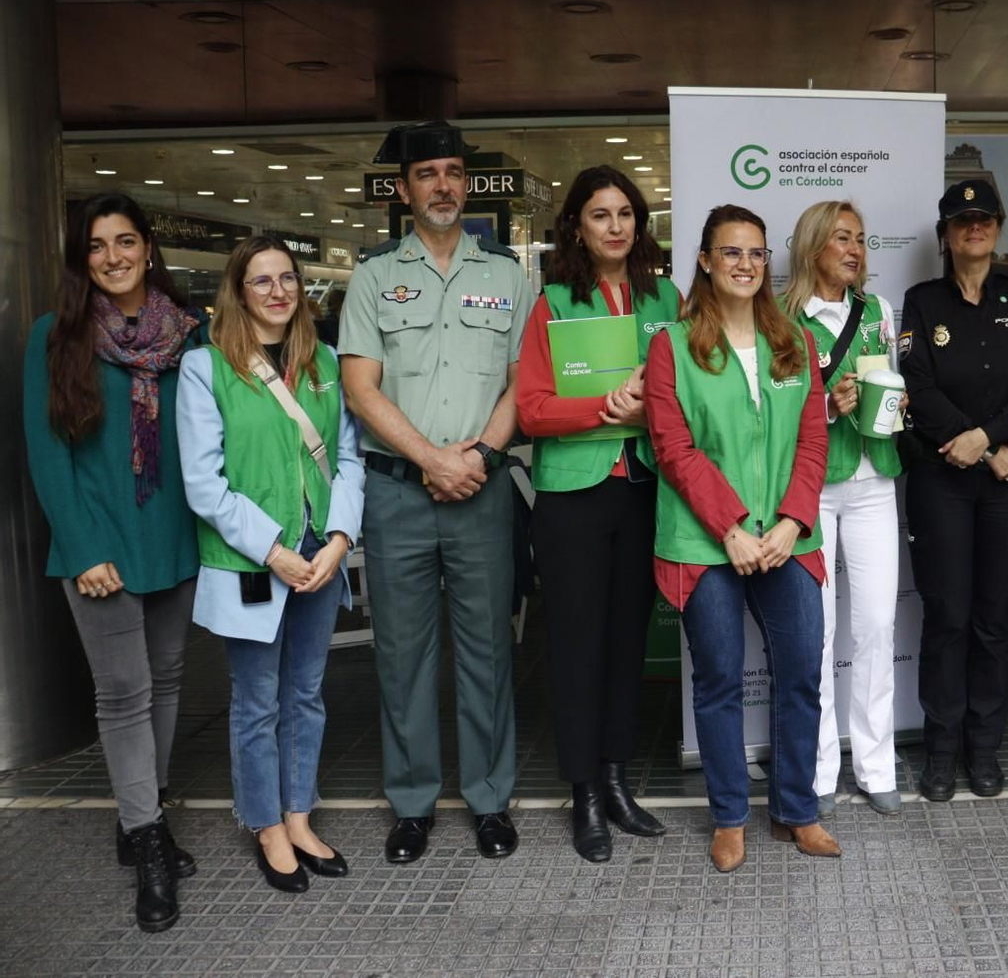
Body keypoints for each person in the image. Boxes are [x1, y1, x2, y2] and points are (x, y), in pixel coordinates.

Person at [338, 121, 534, 864]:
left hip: (481, 490)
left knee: (487, 650)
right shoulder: (374, 276)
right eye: (429, 174)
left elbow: (524, 384)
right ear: (404, 189)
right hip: (399, 495)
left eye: (454, 171)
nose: (444, 185)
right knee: (403, 653)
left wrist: (478, 456)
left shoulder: (506, 276)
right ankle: (413, 802)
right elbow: (361, 388)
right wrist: (430, 459)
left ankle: (490, 799)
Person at [22, 193, 205, 932]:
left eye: (125, 241)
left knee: (165, 680)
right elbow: (45, 451)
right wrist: (83, 544)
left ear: (148, 245)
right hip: (97, 543)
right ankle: (150, 841)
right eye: (96, 246)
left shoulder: (187, 334)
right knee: (123, 691)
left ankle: (140, 814)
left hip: (173, 535)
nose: (113, 257)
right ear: (81, 257)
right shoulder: (55, 335)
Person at [643, 204, 836, 873]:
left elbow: (814, 439)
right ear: (703, 260)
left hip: (786, 537)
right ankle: (729, 815)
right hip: (706, 541)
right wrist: (728, 527)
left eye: (756, 253)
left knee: (802, 672)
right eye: (731, 253)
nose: (746, 265)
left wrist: (789, 520)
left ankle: (796, 810)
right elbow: (673, 445)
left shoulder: (796, 343)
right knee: (720, 677)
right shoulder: (671, 343)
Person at [176, 236, 364, 893]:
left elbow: (348, 459)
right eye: (262, 281)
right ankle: (265, 823)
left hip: (320, 554)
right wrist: (275, 550)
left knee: (306, 694)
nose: (279, 291)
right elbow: (204, 483)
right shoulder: (206, 369)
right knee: (257, 700)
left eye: (288, 278)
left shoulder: (324, 362)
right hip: (254, 560)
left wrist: (339, 539)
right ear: (238, 290)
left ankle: (299, 813)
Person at [515, 166, 679, 862]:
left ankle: (615, 779)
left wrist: (655, 412)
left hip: (643, 487)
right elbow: (531, 408)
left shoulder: (664, 297)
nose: (614, 226)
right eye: (599, 215)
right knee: (578, 646)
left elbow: (686, 393)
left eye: (624, 213)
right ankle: (583, 790)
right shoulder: (553, 302)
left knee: (625, 644)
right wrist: (607, 410)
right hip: (573, 498)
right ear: (577, 227)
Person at [900, 179, 1008, 802]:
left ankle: (983, 747)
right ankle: (941, 750)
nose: (973, 228)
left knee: (993, 618)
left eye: (983, 218)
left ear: (998, 225)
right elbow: (917, 384)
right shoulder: (922, 301)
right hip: (943, 481)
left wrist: (991, 439)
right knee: (947, 618)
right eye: (961, 220)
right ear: (945, 233)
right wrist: (981, 445)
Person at [781, 200, 903, 817]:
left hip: (874, 480)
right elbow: (771, 411)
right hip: (811, 488)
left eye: (860, 238)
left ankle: (876, 762)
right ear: (811, 248)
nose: (854, 250)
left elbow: (894, 378)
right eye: (840, 239)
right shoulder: (780, 317)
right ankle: (821, 768)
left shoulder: (878, 312)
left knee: (878, 624)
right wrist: (825, 407)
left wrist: (893, 405)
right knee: (817, 633)